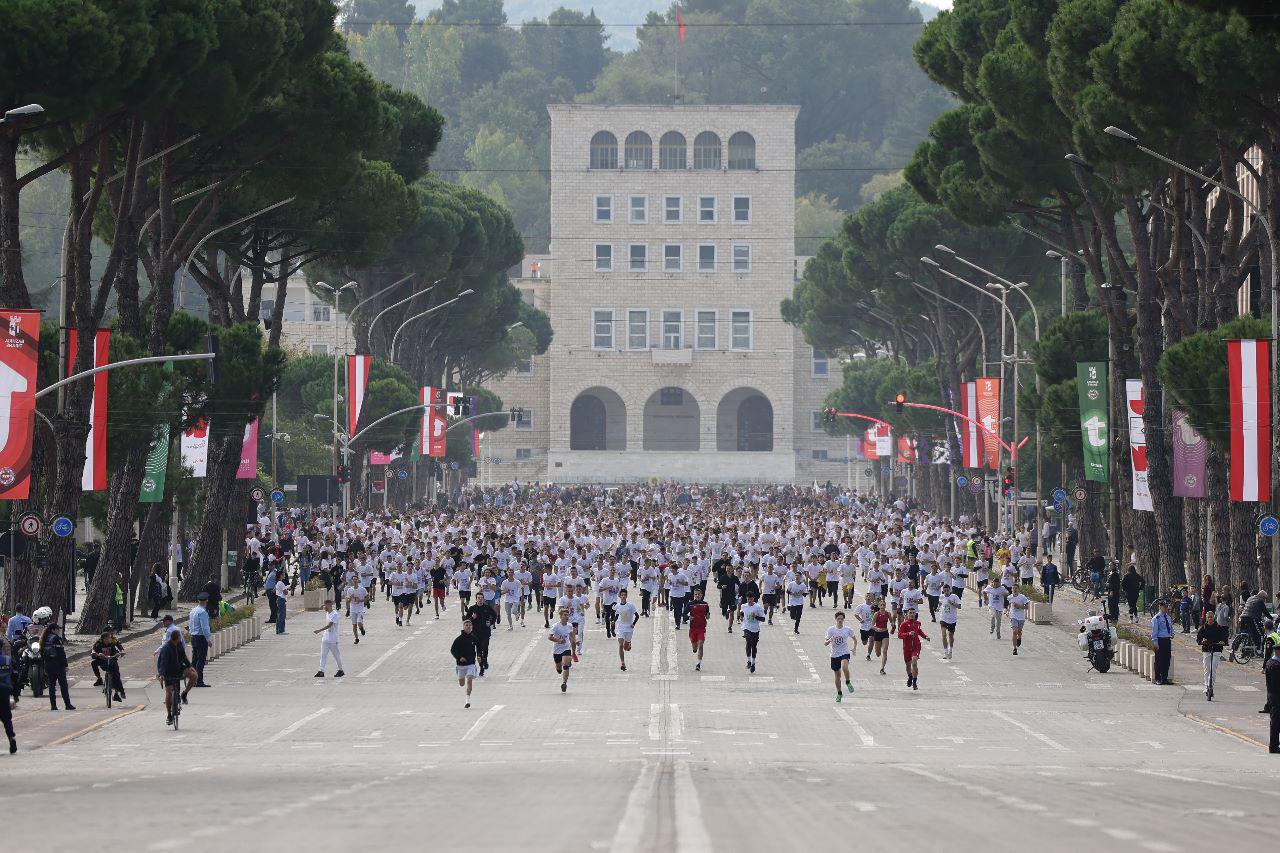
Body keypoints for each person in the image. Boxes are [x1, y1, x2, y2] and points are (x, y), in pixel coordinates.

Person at [156, 630, 191, 726]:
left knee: (176, 688)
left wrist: (189, 666)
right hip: (167, 672)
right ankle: (169, 715)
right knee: (168, 692)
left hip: (177, 670)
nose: (180, 639)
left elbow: (183, 656)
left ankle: (178, 701)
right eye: (180, 637)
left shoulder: (179, 644)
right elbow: (163, 663)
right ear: (177, 638)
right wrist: (162, 675)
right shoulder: (166, 648)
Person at [1195, 611, 1228, 701]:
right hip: (1207, 650)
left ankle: (1211, 686)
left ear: (1214, 618)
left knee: (1213, 669)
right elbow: (1198, 639)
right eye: (1208, 617)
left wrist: (1222, 642)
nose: (1209, 619)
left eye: (1211, 617)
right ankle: (1206, 686)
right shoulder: (1204, 627)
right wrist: (1202, 641)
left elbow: (1224, 638)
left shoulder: (1218, 627)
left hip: (1216, 649)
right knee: (1207, 668)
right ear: (1206, 618)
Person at [823, 612, 855, 702]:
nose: (840, 620)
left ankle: (848, 682)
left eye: (841, 618)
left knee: (845, 667)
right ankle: (839, 693)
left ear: (843, 619)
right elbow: (825, 643)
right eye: (838, 619)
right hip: (834, 655)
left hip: (844, 652)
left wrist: (854, 648)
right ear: (836, 619)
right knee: (837, 675)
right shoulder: (831, 630)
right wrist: (829, 640)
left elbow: (855, 639)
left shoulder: (847, 629)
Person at [40, 625, 73, 710]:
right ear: (53, 630)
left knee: (52, 686)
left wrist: (44, 666)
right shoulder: (56, 639)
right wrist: (65, 665)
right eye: (58, 629)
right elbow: (61, 653)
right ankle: (67, 704)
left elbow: (42, 654)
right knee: (63, 686)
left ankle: (53, 705)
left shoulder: (44, 638)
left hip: (48, 665)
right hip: (58, 665)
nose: (59, 631)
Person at [896, 608, 929, 690]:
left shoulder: (918, 623)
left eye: (913, 613)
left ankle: (914, 682)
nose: (912, 614)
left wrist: (925, 636)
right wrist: (908, 634)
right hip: (907, 647)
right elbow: (900, 635)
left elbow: (919, 631)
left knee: (914, 662)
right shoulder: (904, 624)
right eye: (910, 613)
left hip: (916, 646)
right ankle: (910, 676)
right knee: (908, 665)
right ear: (907, 614)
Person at [91, 629, 126, 703]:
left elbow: (119, 647)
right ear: (104, 638)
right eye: (110, 635)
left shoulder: (113, 642)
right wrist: (97, 654)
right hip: (102, 660)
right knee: (93, 663)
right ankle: (99, 678)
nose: (112, 636)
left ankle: (119, 692)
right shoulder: (99, 643)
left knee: (116, 674)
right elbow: (93, 650)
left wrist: (121, 652)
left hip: (111, 660)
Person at [313, 600, 344, 678]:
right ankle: (321, 671)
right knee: (323, 655)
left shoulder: (335, 614)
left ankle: (341, 670)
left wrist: (319, 630)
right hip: (326, 638)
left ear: (329, 605)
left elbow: (329, 625)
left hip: (333, 639)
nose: (324, 607)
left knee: (336, 656)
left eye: (325, 606)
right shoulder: (327, 613)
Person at [451, 619, 478, 708]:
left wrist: (479, 656)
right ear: (463, 627)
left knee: (469, 680)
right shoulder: (459, 639)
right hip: (461, 665)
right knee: (462, 683)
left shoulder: (474, 638)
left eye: (470, 625)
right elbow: (453, 650)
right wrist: (459, 657)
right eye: (466, 625)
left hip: (471, 664)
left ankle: (467, 700)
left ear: (472, 627)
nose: (468, 627)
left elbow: (479, 647)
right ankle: (462, 677)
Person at [464, 598, 496, 676]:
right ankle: (481, 668)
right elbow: (466, 621)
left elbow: (494, 615)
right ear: (476, 599)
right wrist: (472, 618)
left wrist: (491, 622)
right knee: (478, 653)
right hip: (475, 634)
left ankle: (485, 660)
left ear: (483, 599)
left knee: (485, 648)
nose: (480, 599)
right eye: (478, 598)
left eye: (481, 598)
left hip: (485, 633)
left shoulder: (487, 608)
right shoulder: (472, 608)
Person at [549, 608, 576, 693]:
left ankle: (564, 683)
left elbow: (571, 636)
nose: (566, 616)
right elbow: (550, 637)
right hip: (557, 650)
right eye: (564, 615)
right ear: (560, 616)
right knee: (559, 669)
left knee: (566, 664)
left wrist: (575, 641)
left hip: (566, 648)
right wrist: (558, 640)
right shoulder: (556, 626)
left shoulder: (569, 625)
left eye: (567, 615)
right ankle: (559, 668)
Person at [738, 592, 765, 673]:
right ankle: (749, 660)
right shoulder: (744, 606)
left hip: (755, 629)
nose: (749, 600)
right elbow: (741, 613)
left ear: (754, 598)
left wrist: (756, 617)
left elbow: (763, 619)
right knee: (748, 642)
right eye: (748, 599)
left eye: (751, 599)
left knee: (754, 646)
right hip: (746, 628)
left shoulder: (757, 607)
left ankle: (753, 662)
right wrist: (741, 617)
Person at [189, 593, 211, 687]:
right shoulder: (203, 612)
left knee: (194, 659)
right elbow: (205, 627)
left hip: (193, 636)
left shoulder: (193, 611)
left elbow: (190, 624)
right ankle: (199, 681)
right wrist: (208, 639)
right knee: (201, 660)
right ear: (206, 601)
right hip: (201, 637)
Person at [1151, 599, 1175, 685]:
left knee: (1166, 659)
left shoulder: (1168, 617)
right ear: (1160, 607)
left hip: (1167, 640)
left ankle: (1165, 678)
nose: (1166, 608)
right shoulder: (1156, 618)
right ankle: (1158, 678)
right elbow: (1154, 631)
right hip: (1160, 640)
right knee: (1159, 660)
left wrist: (1172, 633)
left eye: (1166, 607)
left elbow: (1171, 627)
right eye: (1164, 607)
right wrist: (1155, 642)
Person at [615, 588, 639, 672]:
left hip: (629, 629)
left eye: (625, 595)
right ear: (619, 596)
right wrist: (613, 622)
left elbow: (637, 616)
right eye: (622, 595)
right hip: (620, 628)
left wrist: (633, 624)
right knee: (621, 645)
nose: (623, 596)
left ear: (626, 596)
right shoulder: (617, 606)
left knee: (626, 648)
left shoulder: (631, 605)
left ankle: (628, 643)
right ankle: (622, 663)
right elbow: (616, 616)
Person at [688, 587, 710, 671]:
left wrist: (708, 616)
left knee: (701, 645)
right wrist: (688, 617)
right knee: (695, 647)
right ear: (694, 595)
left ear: (701, 595)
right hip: (693, 628)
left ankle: (698, 663)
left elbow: (707, 615)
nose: (697, 596)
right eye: (695, 594)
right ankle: (694, 647)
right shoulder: (690, 604)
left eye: (699, 594)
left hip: (702, 628)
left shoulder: (705, 604)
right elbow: (684, 614)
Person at [0, 639, 15, 752]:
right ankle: (11, 739)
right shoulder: (7, 660)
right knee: (6, 718)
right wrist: (15, 694)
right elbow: (15, 676)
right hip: (4, 692)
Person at [1007, 585, 1030, 655]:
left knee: (1019, 631)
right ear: (1011, 589)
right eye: (1013, 588)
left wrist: (1019, 606)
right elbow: (1009, 605)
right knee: (1014, 631)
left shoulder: (1022, 597)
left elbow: (1027, 607)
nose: (1014, 589)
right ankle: (1014, 649)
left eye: (1016, 588)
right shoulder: (1009, 597)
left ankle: (1019, 638)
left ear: (1018, 589)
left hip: (1021, 617)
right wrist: (1008, 611)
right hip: (1013, 616)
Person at [1266, 642, 1280, 753]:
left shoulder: (1270, 662)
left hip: (1272, 695)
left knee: (1275, 721)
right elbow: (1276, 683)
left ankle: (1274, 745)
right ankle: (1274, 746)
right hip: (1276, 695)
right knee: (1275, 722)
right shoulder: (1276, 666)